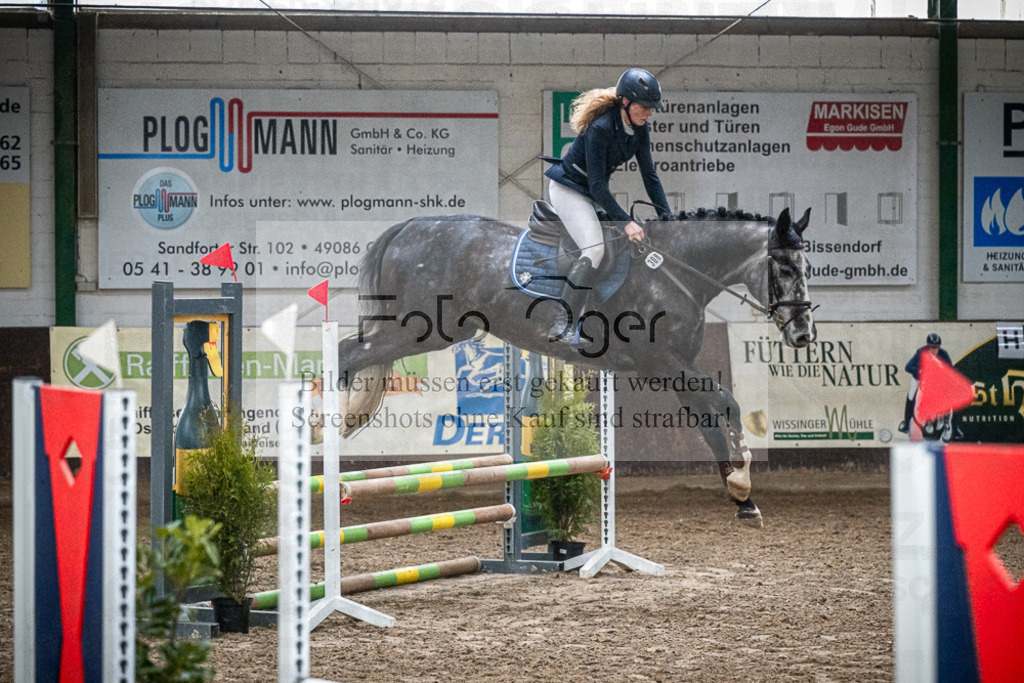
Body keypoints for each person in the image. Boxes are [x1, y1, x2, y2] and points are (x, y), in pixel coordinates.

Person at [544, 67, 672, 343]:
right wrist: (626, 221)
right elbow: (598, 186)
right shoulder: (601, 128)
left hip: (589, 194)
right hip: (569, 189)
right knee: (595, 249)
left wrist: (667, 217)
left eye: (652, 108)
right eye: (645, 107)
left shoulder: (640, 129)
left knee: (615, 246)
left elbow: (649, 175)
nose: (649, 113)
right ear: (626, 103)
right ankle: (562, 323)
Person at [898, 332, 953, 434]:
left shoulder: (943, 354)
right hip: (919, 378)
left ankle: (947, 423)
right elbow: (908, 366)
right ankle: (906, 424)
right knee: (911, 395)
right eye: (931, 347)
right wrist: (920, 371)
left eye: (936, 348)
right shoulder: (920, 352)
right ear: (928, 347)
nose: (934, 350)